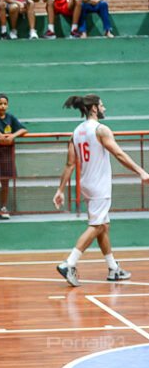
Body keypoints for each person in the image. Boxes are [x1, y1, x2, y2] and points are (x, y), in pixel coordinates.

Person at [53, 94, 149, 286]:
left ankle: (113, 268)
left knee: (103, 225)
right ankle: (69, 263)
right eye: (102, 105)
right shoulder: (101, 129)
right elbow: (118, 154)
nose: (104, 108)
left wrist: (60, 190)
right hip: (99, 185)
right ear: (94, 108)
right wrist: (141, 171)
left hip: (86, 183)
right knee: (97, 226)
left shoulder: (76, 132)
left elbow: (70, 164)